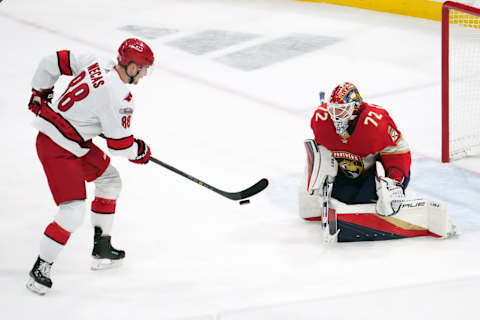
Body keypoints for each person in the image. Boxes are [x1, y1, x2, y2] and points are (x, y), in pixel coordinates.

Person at [26, 38, 154, 295]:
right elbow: (120, 146)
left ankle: (101, 247)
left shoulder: (97, 62)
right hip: (57, 146)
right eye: (142, 69)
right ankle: (40, 269)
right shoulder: (121, 97)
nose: (143, 75)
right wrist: (139, 150)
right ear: (130, 67)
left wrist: (39, 92)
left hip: (72, 140)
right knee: (72, 210)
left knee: (110, 180)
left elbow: (53, 61)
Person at [300, 82, 413, 241]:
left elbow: (397, 150)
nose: (334, 115)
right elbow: (320, 150)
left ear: (355, 107)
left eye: (340, 110)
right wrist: (320, 174)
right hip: (346, 173)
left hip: (369, 173)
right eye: (332, 109)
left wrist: (394, 181)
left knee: (379, 201)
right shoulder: (321, 119)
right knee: (342, 200)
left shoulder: (375, 123)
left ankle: (385, 190)